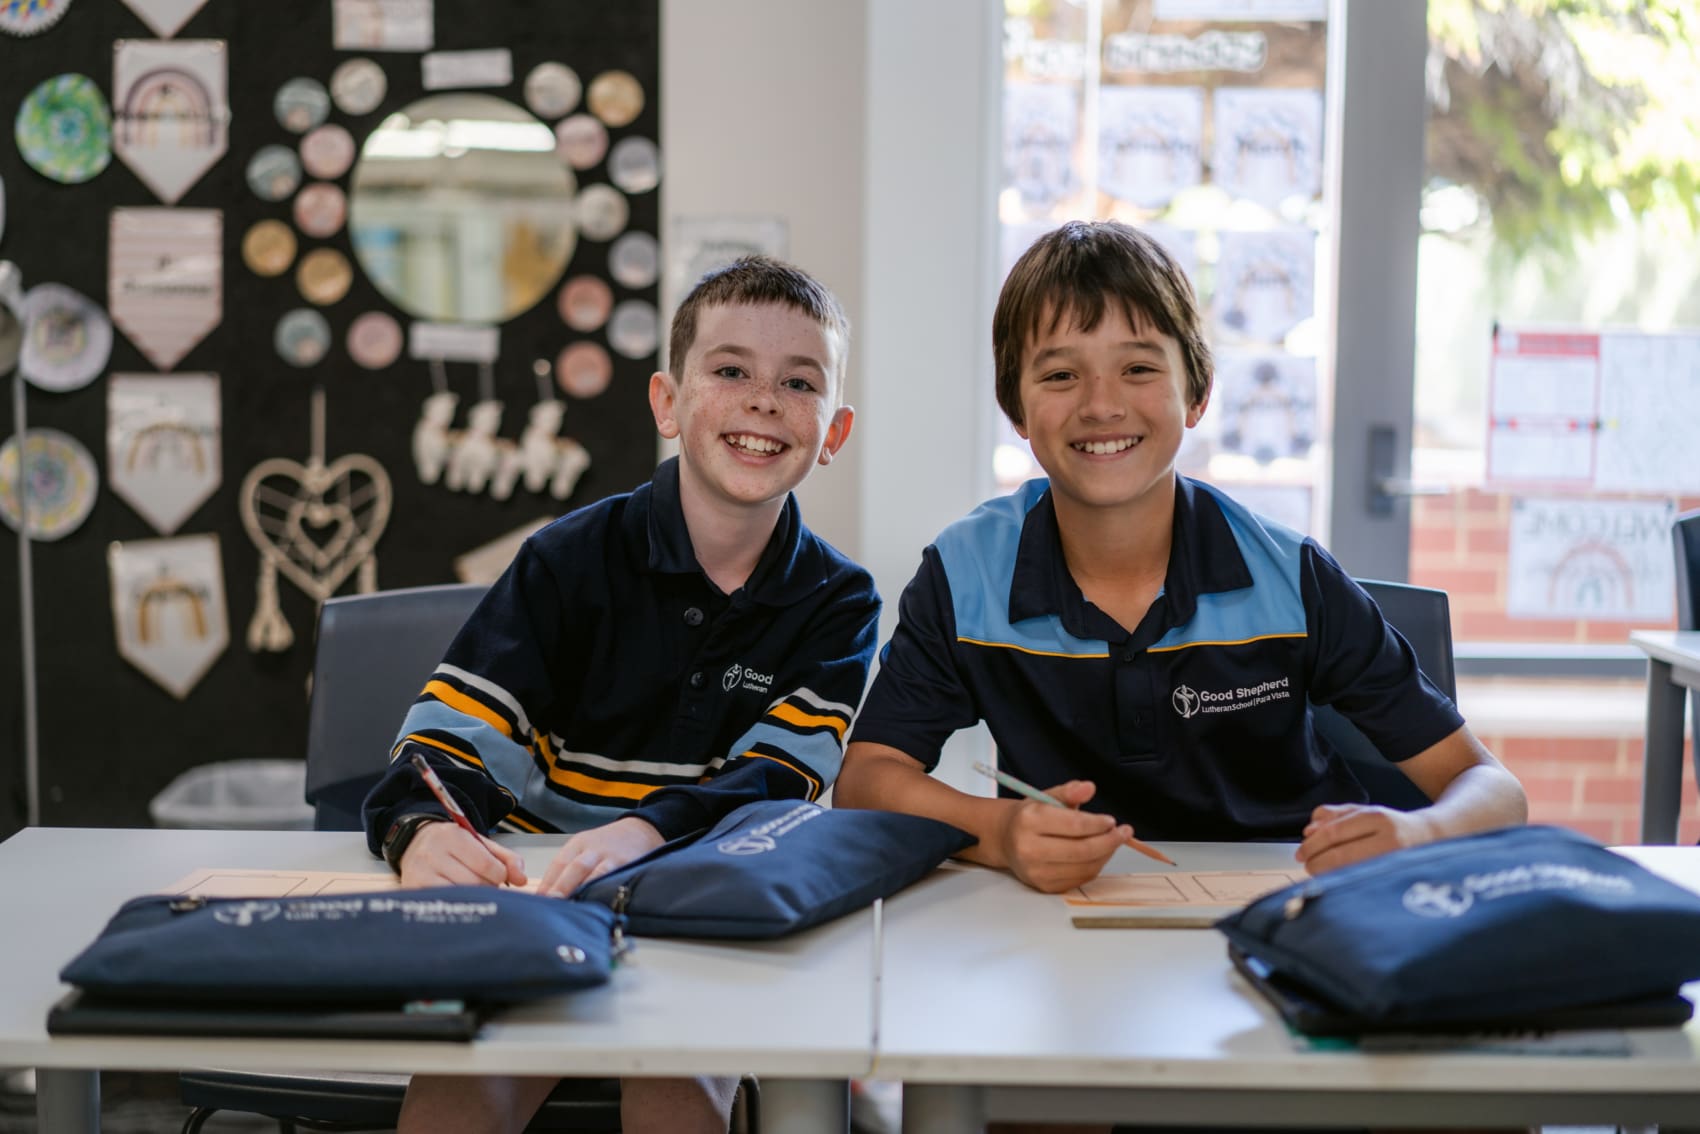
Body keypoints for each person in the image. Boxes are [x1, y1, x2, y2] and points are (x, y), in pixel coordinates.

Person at [835, 220, 1526, 896]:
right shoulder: (966, 574)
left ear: (1196, 392)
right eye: (1060, 374)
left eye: (1138, 368)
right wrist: (1001, 831)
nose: (1101, 405)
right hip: (1065, 934)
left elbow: (1492, 788)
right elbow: (866, 780)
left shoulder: (1290, 575)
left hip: (1288, 912)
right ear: (1016, 408)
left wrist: (1419, 835)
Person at [363, 256, 879, 1134]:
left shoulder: (838, 600)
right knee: (454, 1105)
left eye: (799, 382)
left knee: (677, 1102)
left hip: (703, 920)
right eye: (729, 371)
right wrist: (419, 831)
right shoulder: (565, 558)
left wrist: (641, 833)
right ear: (668, 402)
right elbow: (447, 743)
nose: (763, 401)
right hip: (540, 900)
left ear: (832, 431)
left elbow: (778, 783)